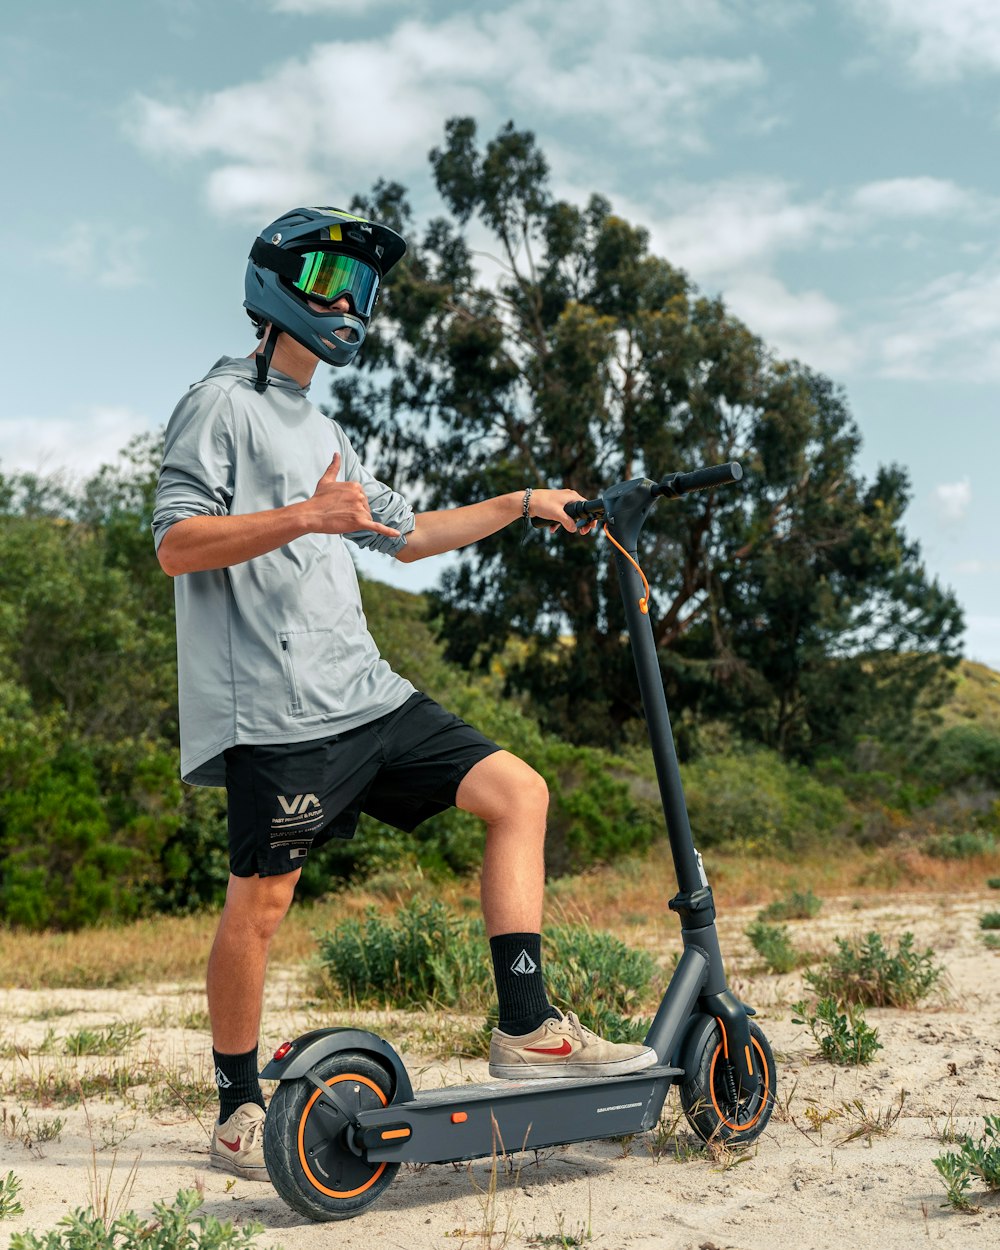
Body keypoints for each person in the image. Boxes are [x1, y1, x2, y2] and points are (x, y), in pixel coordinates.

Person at [152, 206, 656, 1183]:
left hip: (367, 693)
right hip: (276, 705)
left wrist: (519, 502)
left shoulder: (320, 422)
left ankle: (527, 1026)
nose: (349, 304)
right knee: (260, 903)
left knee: (519, 792)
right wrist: (306, 513)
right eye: (330, 282)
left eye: (363, 288)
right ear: (274, 288)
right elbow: (174, 542)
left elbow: (407, 533)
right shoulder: (220, 404)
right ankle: (233, 1106)